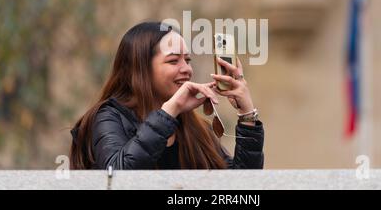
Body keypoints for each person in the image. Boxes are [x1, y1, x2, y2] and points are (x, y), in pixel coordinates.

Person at [69, 21, 264, 169]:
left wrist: (247, 115)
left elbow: (239, 189)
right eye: (173, 61)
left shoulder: (195, 128)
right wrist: (170, 111)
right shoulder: (108, 117)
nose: (186, 69)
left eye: (187, 60)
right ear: (141, 68)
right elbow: (117, 177)